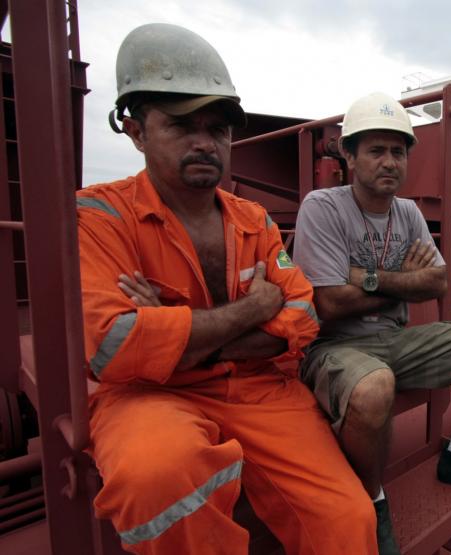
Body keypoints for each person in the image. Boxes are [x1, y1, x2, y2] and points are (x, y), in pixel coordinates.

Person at [78, 24, 374, 554]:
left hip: (259, 388)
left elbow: (303, 314)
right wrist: (254, 308)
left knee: (349, 520)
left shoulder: (254, 220)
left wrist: (175, 334)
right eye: (181, 125)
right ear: (135, 130)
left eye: (217, 129)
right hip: (150, 397)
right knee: (156, 478)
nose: (204, 142)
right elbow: (114, 345)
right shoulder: (100, 217)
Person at [294, 92, 451, 554]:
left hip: (395, 339)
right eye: (376, 150)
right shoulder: (323, 207)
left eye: (398, 151)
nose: (389, 162)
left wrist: (368, 277)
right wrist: (405, 279)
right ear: (349, 156)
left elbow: (436, 283)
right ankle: (372, 499)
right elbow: (331, 303)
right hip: (334, 347)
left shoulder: (409, 212)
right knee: (374, 385)